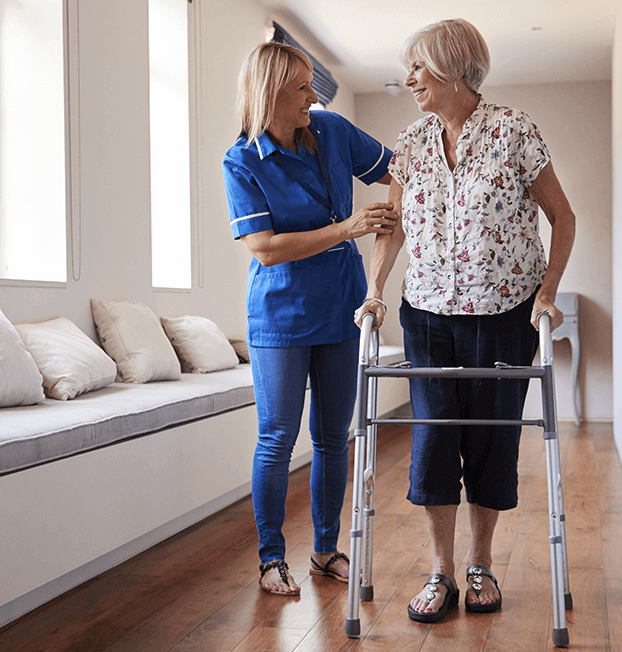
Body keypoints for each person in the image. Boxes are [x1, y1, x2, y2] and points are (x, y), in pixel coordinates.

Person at [355, 18, 575, 622]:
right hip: (427, 315)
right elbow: (394, 227)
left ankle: (480, 566)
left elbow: (563, 217)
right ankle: (441, 573)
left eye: (418, 68)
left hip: (504, 314)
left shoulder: (514, 132)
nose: (409, 79)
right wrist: (375, 289)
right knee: (432, 438)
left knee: (492, 436)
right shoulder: (413, 142)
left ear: (452, 68)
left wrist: (547, 293)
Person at [222, 41, 398, 596]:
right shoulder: (241, 161)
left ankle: (325, 550)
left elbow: (403, 167)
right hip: (280, 315)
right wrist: (347, 229)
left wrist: (388, 250)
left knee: (331, 436)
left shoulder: (333, 131)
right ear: (270, 93)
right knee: (276, 437)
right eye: (301, 86)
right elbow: (265, 247)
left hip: (343, 305)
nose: (312, 95)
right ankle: (271, 558)